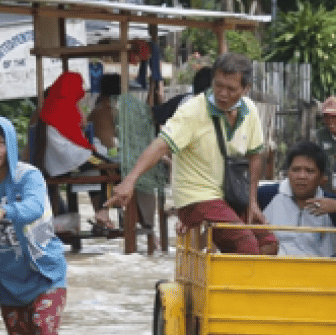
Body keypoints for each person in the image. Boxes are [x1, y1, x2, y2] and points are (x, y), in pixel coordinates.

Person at [108, 52, 277, 255]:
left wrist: (252, 201)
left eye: (231, 89)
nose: (222, 94)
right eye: (218, 86)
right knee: (245, 244)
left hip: (231, 196)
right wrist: (130, 180)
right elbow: (160, 145)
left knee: (268, 243)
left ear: (245, 89)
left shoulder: (249, 109)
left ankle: (231, 274)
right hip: (196, 198)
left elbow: (255, 156)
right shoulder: (191, 111)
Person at [0, 118, 69, 335]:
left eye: (0, 143)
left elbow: (34, 206)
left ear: (11, 144)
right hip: (7, 283)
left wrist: (3, 211)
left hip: (44, 274)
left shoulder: (28, 176)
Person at [263, 141, 336, 257]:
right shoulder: (267, 195)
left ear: (321, 177)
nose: (301, 176)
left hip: (318, 268)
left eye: (309, 171)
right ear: (288, 172)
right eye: (296, 170)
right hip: (273, 267)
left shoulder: (331, 203)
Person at [90, 73, 157, 253]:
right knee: (139, 176)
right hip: (112, 161)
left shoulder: (96, 111)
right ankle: (147, 230)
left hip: (100, 160)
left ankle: (105, 214)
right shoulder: (113, 112)